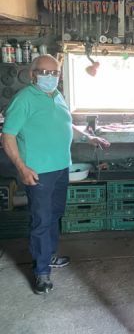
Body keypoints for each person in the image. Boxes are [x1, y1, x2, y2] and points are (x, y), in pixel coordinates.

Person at [1, 54, 110, 295]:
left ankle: (48, 256)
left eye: (54, 73)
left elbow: (66, 123)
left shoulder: (58, 96)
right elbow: (7, 136)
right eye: (44, 72)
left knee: (55, 215)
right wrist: (22, 168)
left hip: (61, 167)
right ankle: (41, 272)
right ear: (33, 74)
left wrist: (88, 137)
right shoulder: (24, 99)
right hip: (38, 171)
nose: (50, 77)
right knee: (41, 220)